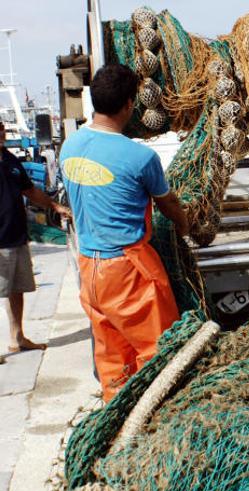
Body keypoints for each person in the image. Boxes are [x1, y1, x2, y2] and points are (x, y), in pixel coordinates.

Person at [60, 64, 190, 401]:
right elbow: (169, 205)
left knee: (112, 355)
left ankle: (116, 411)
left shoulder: (69, 148)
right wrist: (184, 225)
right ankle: (161, 417)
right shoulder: (140, 157)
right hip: (128, 269)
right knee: (159, 351)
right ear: (130, 105)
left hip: (89, 266)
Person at [0, 121, 71, 363]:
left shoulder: (9, 159)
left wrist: (54, 206)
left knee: (17, 289)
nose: (0, 131)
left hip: (17, 236)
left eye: (1, 127)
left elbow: (30, 191)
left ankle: (17, 338)